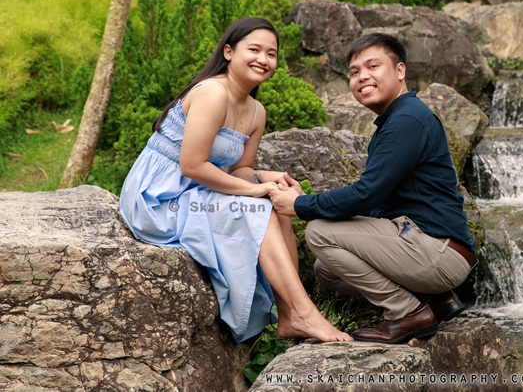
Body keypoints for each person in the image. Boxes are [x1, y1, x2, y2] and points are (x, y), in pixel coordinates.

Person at [119, 17, 351, 343]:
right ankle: (302, 312)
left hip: (196, 193)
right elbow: (193, 165)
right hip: (158, 197)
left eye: (271, 54)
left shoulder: (257, 112)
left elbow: (239, 170)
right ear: (228, 52)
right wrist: (255, 189)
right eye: (253, 49)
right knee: (257, 207)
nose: (263, 60)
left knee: (275, 203)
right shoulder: (213, 93)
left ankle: (290, 314)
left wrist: (266, 178)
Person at [269, 32, 477, 344]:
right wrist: (303, 198)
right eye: (354, 72)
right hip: (424, 246)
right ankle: (436, 300)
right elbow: (374, 203)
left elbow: (368, 193)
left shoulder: (408, 119)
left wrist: (300, 206)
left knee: (318, 233)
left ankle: (408, 312)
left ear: (400, 71)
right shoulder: (396, 119)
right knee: (327, 269)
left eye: (372, 66)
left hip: (439, 251)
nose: (362, 76)